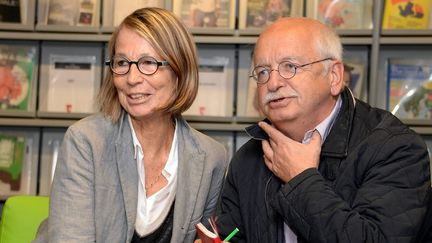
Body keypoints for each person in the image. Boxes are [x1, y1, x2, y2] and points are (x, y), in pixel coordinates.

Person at [214, 17, 431, 242]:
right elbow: (231, 234)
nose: (273, 83)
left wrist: (301, 179)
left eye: (290, 66)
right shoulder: (249, 157)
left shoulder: (394, 148)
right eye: (262, 72)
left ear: (334, 76)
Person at [33, 7, 228, 243]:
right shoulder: (85, 141)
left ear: (180, 71)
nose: (132, 78)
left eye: (148, 62)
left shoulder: (211, 158)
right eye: (122, 62)